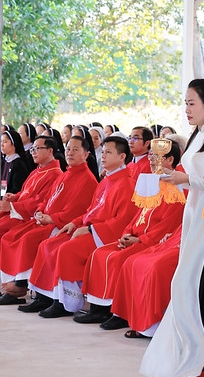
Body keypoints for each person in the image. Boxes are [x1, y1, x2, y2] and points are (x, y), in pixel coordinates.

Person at [140, 78, 204, 377]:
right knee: (194, 288)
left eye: (192, 103)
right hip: (196, 214)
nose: (187, 109)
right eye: (185, 103)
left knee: (200, 289)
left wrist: (187, 179)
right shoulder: (198, 134)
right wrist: (175, 177)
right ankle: (202, 360)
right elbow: (196, 176)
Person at [27, 136, 137, 318]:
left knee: (66, 249)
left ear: (122, 156)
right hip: (90, 229)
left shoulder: (126, 183)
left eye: (108, 152)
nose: (103, 156)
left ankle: (66, 303)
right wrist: (74, 223)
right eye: (103, 152)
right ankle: (51, 297)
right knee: (49, 244)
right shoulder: (107, 180)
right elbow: (90, 211)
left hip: (105, 235)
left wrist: (90, 230)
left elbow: (122, 221)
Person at [76, 145, 184, 327]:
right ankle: (98, 309)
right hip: (134, 237)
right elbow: (138, 215)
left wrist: (140, 239)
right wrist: (127, 233)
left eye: (155, 156)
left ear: (170, 160)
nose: (150, 160)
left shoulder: (178, 191)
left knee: (120, 260)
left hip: (151, 242)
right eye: (150, 156)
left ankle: (119, 314)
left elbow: (168, 224)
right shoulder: (151, 185)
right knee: (99, 254)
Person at [0, 136, 94, 307]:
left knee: (30, 240)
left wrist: (50, 218)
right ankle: (19, 286)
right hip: (44, 219)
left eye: (75, 150)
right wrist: (38, 210)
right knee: (12, 236)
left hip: (61, 225)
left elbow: (77, 209)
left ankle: (24, 287)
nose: (69, 153)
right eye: (68, 149)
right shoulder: (64, 174)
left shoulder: (86, 179)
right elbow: (46, 199)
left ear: (86, 154)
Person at [1, 128, 31, 195]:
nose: (1, 145)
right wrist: (1, 195)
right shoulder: (4, 161)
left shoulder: (18, 164)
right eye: (1, 142)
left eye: (5, 142)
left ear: (14, 144)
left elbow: (17, 189)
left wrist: (5, 196)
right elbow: (3, 184)